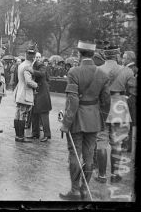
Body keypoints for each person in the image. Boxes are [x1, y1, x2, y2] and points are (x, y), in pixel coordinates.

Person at [59, 40, 111, 200]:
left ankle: (74, 190)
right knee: (89, 155)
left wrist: (65, 124)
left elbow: (73, 101)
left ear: (80, 53)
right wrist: (100, 117)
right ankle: (83, 189)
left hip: (77, 120)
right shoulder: (103, 74)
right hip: (94, 119)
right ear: (93, 53)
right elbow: (106, 100)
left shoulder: (74, 72)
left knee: (74, 154)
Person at [94, 45, 136, 184]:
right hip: (119, 107)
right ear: (117, 55)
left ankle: (101, 176)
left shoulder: (98, 70)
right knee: (117, 143)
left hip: (102, 108)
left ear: (105, 55)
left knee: (101, 141)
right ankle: (114, 175)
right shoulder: (126, 70)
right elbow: (134, 90)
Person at [13, 48, 38, 143]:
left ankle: (17, 136)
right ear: (33, 56)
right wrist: (37, 85)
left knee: (18, 114)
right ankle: (21, 137)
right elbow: (28, 81)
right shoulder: (28, 66)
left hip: (19, 92)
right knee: (23, 115)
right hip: (25, 93)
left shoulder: (21, 64)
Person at [31, 56, 52, 141]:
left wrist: (31, 70)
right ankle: (35, 134)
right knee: (34, 114)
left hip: (43, 93)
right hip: (37, 93)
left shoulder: (41, 65)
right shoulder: (32, 64)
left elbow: (42, 74)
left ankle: (47, 135)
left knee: (44, 115)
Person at [122, 50, 137, 154]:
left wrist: (128, 96)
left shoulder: (130, 69)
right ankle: (127, 146)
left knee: (127, 123)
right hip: (130, 98)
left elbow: (131, 85)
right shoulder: (132, 69)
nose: (122, 59)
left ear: (129, 59)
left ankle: (126, 146)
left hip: (129, 99)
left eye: (124, 57)